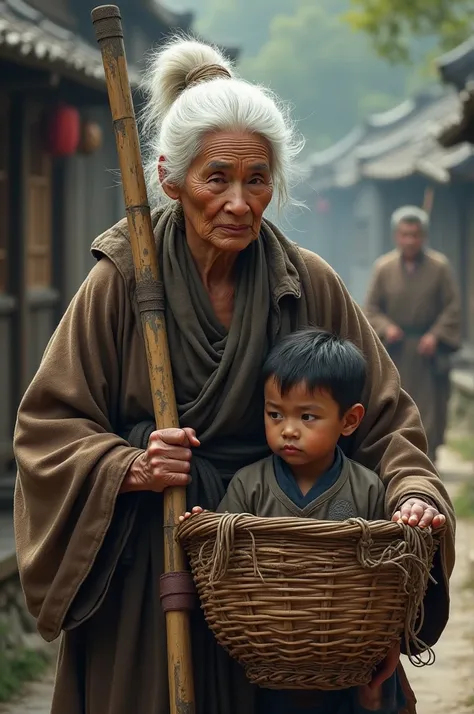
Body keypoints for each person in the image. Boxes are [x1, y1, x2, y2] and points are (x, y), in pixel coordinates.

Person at [13, 37, 453, 714]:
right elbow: (48, 424)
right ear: (170, 178)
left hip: (285, 582)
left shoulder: (306, 283)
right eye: (216, 178)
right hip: (152, 568)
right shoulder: (125, 279)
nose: (240, 203)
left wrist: (413, 496)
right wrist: (127, 464)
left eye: (257, 180)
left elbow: (387, 420)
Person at [181, 328, 406, 713]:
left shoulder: (367, 488)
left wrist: (388, 643)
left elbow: (387, 579)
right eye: (275, 414)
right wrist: (208, 527)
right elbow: (224, 560)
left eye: (307, 416)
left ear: (349, 421)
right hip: (268, 648)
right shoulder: (249, 484)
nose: (287, 429)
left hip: (347, 650)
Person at [364, 206, 461, 463]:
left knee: (429, 411)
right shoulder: (383, 267)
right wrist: (386, 327)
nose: (410, 240)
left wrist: (436, 334)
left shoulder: (439, 267)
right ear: (397, 236)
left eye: (415, 235)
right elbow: (371, 308)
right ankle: (396, 460)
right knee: (395, 407)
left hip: (427, 354)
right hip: (395, 352)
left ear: (423, 236)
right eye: (405, 234)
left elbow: (452, 306)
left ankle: (427, 463)